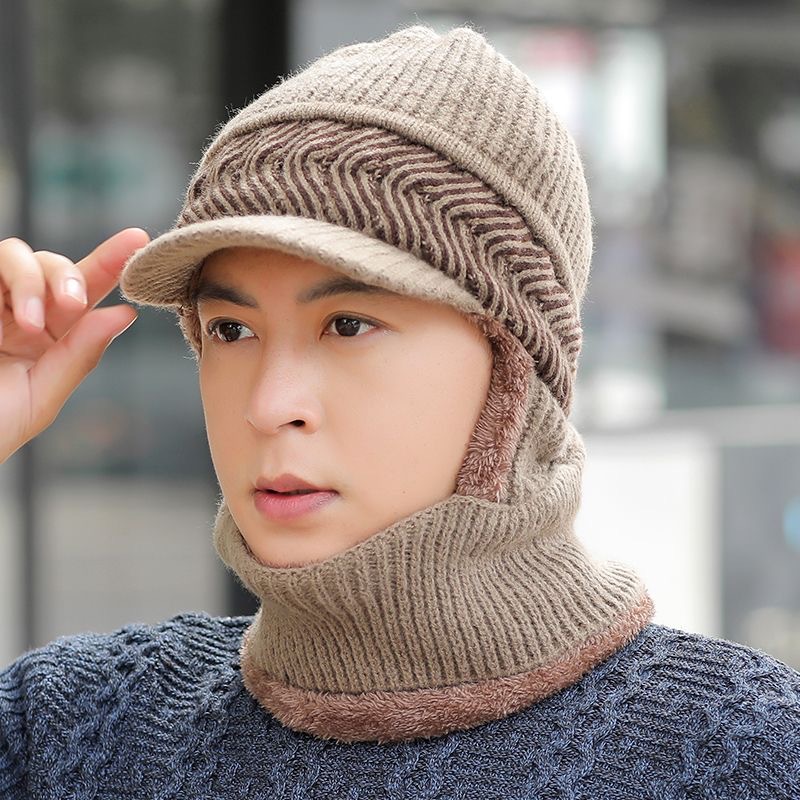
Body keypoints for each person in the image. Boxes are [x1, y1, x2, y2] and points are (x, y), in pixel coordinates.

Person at [1, 23, 798, 799]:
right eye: (231, 330)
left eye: (348, 325)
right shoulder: (74, 731)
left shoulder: (741, 753)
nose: (270, 406)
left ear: (515, 366)